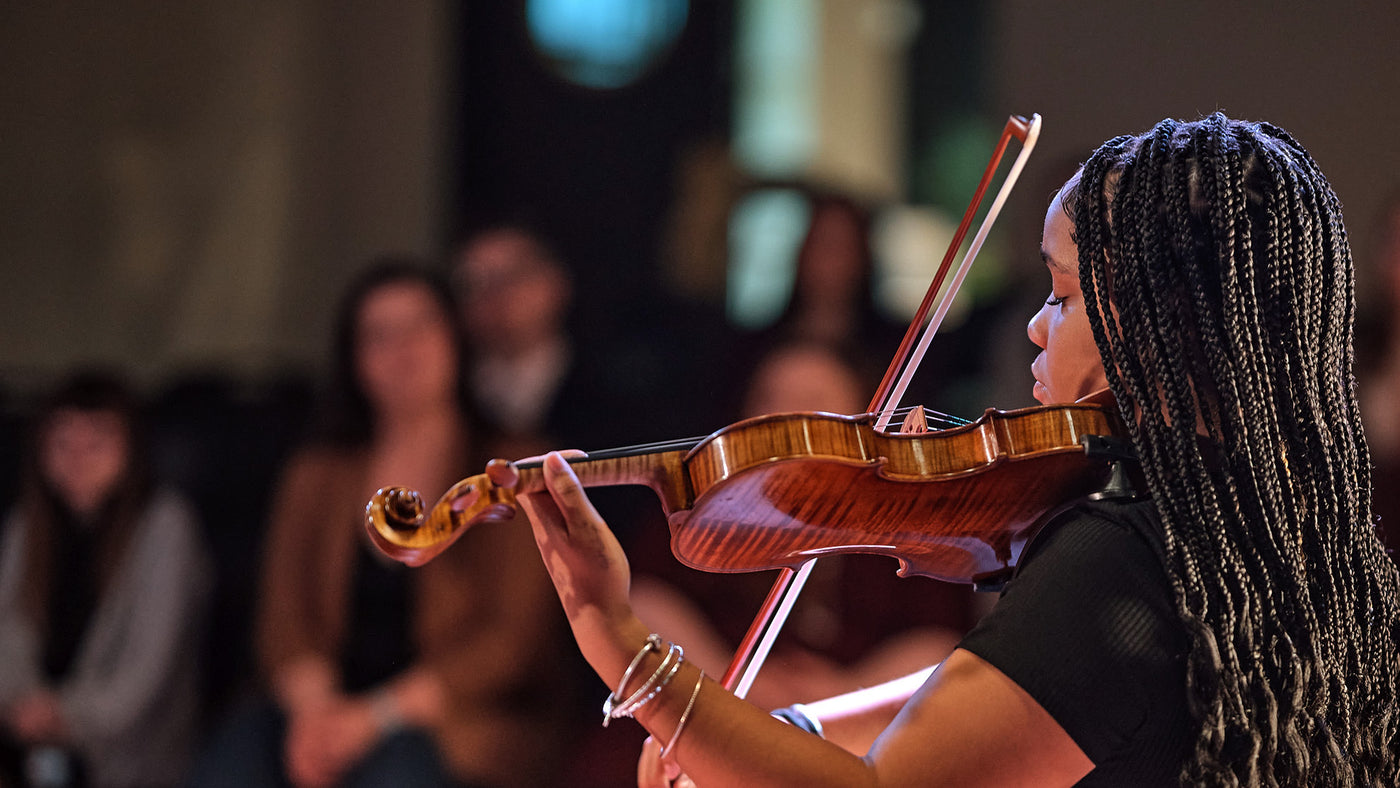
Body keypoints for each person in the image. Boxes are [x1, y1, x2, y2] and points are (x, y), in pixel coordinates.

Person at [504, 114, 1400, 786]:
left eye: (1062, 295)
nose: (1037, 330)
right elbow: (1002, 699)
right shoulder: (1297, 541)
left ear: (1148, 317)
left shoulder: (1123, 559)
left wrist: (621, 644)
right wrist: (766, 732)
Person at [187, 260, 563, 788]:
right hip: (319, 705)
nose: (402, 349)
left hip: (448, 718)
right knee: (229, 767)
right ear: (354, 359)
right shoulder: (318, 474)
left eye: (419, 326)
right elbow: (282, 617)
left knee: (397, 774)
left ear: (454, 337)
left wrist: (374, 718)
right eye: (378, 335)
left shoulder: (509, 469)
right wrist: (317, 714)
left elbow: (511, 643)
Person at [0, 371, 210, 788]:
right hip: (27, 732)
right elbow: (7, 628)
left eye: (96, 443)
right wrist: (22, 705)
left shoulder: (165, 526)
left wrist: (66, 716)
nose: (78, 459)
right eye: (63, 443)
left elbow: (146, 674)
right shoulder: (29, 524)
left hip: (125, 749)